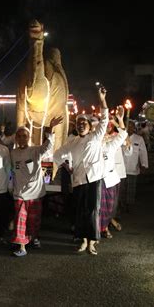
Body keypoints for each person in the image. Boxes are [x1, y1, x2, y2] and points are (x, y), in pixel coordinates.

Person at [54, 88, 109, 255]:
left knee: (93, 210)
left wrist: (102, 99)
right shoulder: (72, 141)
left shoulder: (96, 136)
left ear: (90, 125)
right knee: (81, 211)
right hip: (78, 179)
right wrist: (65, 165)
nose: (81, 125)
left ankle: (92, 242)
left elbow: (105, 119)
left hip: (94, 178)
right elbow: (57, 155)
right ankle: (84, 241)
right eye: (78, 123)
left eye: (84, 123)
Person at [11, 116, 63, 256]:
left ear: (28, 137)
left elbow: (48, 146)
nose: (22, 138)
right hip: (20, 194)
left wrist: (50, 128)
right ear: (16, 138)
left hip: (35, 193)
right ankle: (22, 246)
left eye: (25, 136)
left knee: (34, 220)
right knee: (20, 220)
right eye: (20, 136)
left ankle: (33, 238)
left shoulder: (35, 151)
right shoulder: (13, 153)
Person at [99, 107, 127, 239]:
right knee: (98, 207)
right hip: (97, 179)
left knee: (111, 206)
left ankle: (108, 223)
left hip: (111, 178)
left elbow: (123, 136)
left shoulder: (112, 142)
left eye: (109, 126)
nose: (107, 129)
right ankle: (102, 229)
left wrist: (120, 120)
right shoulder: (95, 143)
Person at [120, 121, 148, 214]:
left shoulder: (139, 139)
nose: (130, 128)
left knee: (131, 189)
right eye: (128, 126)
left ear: (134, 128)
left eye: (131, 127)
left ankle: (129, 205)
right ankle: (121, 205)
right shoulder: (120, 137)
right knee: (122, 189)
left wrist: (144, 165)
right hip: (121, 170)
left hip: (133, 168)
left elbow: (143, 152)